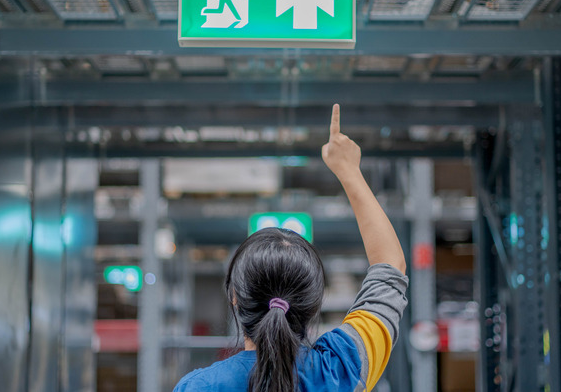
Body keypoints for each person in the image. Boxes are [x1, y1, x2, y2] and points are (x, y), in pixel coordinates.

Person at [174, 104, 408, 392]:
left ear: (235, 296)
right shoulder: (340, 369)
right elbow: (390, 267)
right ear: (312, 304)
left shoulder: (198, 387)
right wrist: (348, 171)